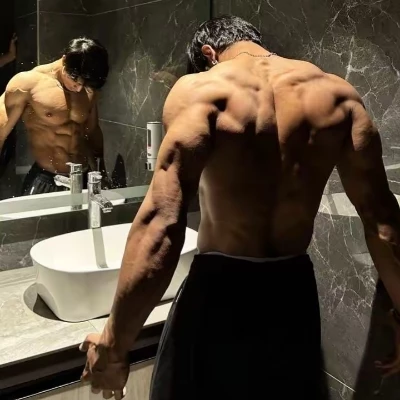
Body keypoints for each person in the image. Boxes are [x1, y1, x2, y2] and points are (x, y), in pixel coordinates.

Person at [79, 15, 400, 399]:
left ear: (208, 53)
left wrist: (113, 344)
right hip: (293, 296)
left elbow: (161, 224)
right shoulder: (339, 96)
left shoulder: (201, 92)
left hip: (219, 294)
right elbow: (384, 224)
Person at [0, 37, 109, 196]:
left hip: (84, 179)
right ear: (64, 60)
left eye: (84, 85)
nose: (79, 89)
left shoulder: (88, 88)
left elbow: (92, 132)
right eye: (75, 81)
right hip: (46, 179)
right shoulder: (27, 84)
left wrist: (101, 173)